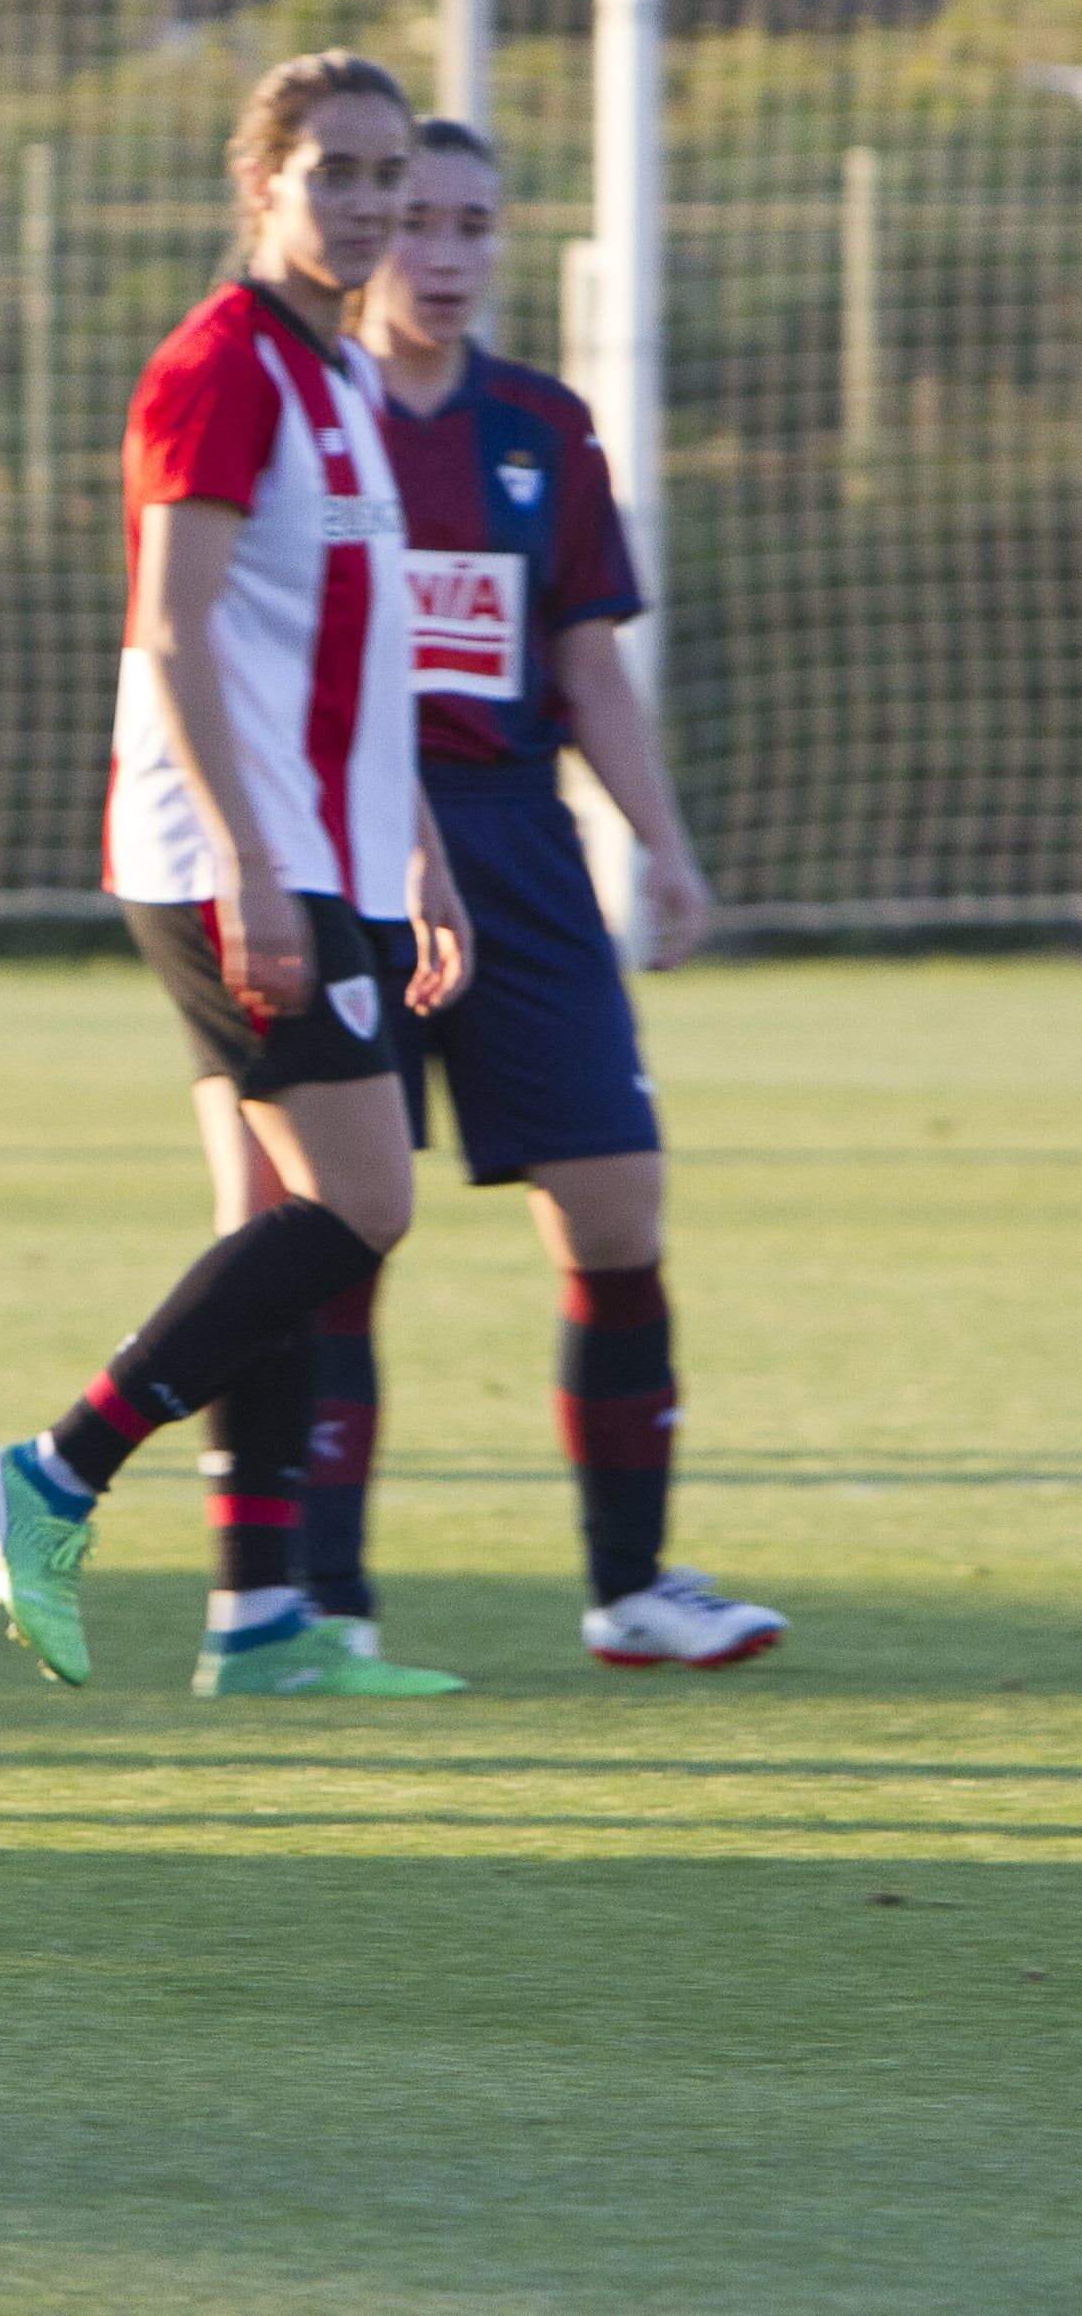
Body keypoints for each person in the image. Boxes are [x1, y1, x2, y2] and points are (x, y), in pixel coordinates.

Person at [0, 52, 476, 1699]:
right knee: (362, 1199)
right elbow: (170, 626)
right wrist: (255, 865)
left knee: (284, 1218)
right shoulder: (222, 365)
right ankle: (53, 1467)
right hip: (228, 853)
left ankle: (261, 1618)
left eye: (388, 170)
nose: (371, 200)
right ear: (262, 183)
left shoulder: (342, 378)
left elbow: (360, 663)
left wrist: (425, 857)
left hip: (335, 854)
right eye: (335, 168)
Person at [325, 118, 784, 1667]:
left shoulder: (544, 426)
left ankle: (634, 1587)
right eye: (416, 222)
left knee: (614, 1207)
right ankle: (321, 1601)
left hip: (517, 842)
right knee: (339, 1223)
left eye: (474, 225)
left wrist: (661, 841)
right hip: (347, 839)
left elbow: (588, 663)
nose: (444, 256)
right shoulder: (308, 418)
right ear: (362, 227)